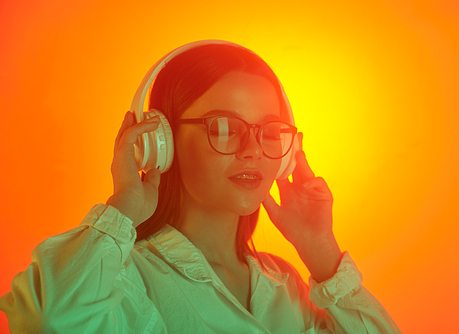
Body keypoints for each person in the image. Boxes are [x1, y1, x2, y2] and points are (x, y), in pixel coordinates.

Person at [0, 40, 401, 333]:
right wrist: (122, 207)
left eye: (267, 131)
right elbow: (50, 320)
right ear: (162, 141)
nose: (252, 150)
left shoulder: (284, 285)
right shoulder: (125, 278)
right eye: (224, 128)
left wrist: (321, 250)